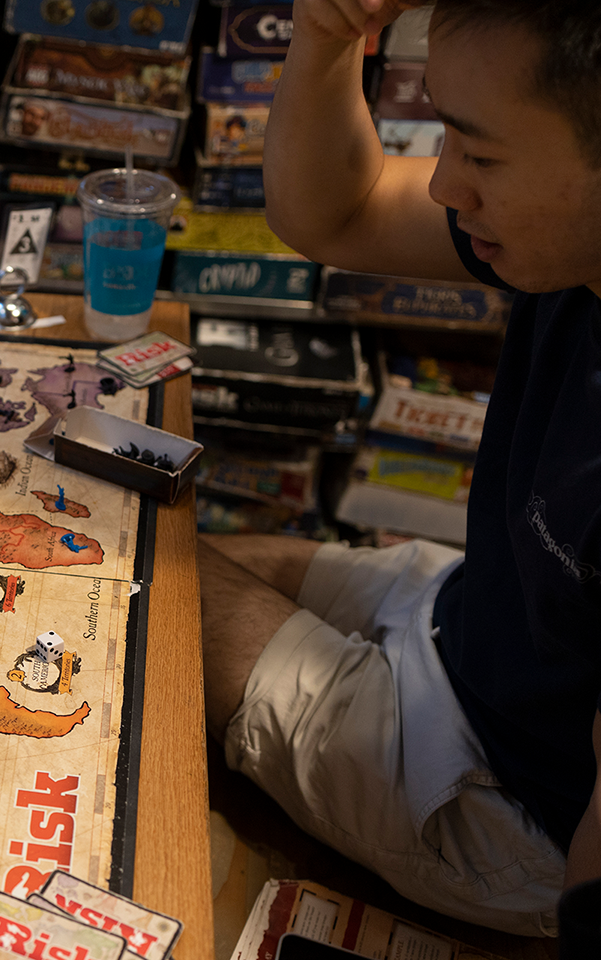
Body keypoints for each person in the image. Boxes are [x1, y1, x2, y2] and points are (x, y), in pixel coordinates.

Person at [200, 0, 601, 936]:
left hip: (499, 803)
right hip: (467, 622)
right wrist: (326, 35)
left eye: (482, 155)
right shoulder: (571, 237)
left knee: (147, 593)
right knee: (172, 548)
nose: (442, 187)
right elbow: (334, 213)